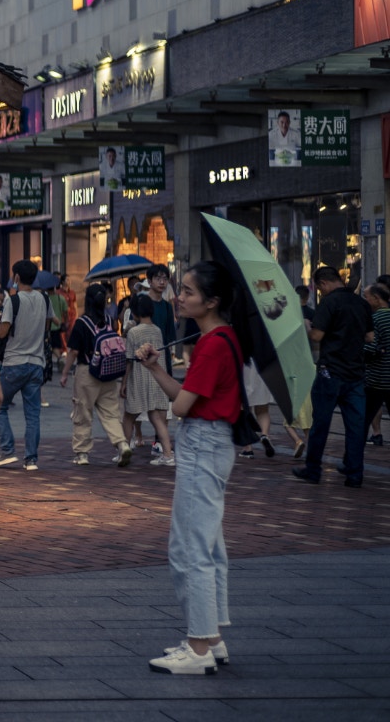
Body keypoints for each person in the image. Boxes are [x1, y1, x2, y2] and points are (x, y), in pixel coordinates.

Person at [136, 262, 242, 674]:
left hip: (203, 443)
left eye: (189, 291)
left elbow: (181, 406)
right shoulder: (222, 338)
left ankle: (197, 648)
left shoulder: (214, 345)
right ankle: (211, 639)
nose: (179, 296)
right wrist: (156, 368)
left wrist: (159, 371)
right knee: (209, 545)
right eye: (180, 288)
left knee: (189, 549)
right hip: (214, 442)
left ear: (212, 301)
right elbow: (186, 397)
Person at [293, 266, 373, 488]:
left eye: (319, 289)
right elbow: (369, 337)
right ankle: (355, 474)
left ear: (322, 284)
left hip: (331, 371)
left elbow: (317, 336)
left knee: (321, 423)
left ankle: (313, 470)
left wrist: (309, 327)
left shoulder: (329, 303)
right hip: (356, 373)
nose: (320, 292)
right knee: (356, 427)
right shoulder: (362, 303)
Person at [60, 283, 131, 466]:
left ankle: (82, 454)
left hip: (87, 372)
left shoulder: (82, 323)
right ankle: (122, 444)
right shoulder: (108, 320)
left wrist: (65, 373)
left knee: (82, 412)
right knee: (111, 412)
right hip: (108, 373)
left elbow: (73, 351)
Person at [0, 260, 48, 471]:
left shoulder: (13, 302)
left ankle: (7, 450)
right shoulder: (44, 299)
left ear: (16, 278)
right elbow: (50, 324)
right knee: (33, 415)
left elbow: (2, 332)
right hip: (36, 363)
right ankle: (31, 459)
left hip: (15, 363)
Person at [122, 295, 174, 465]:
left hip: (139, 377)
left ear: (135, 312)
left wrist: (124, 382)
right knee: (157, 418)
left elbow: (129, 359)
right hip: (156, 377)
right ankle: (168, 454)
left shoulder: (133, 332)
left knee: (129, 415)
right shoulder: (157, 330)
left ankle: (124, 449)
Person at [363, 282, 390, 447]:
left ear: (376, 298)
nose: (365, 301)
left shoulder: (374, 319)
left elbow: (370, 348)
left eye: (366, 297)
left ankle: (353, 459)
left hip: (377, 379)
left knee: (363, 418)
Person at [146, 265, 178, 373]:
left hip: (163, 354)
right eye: (158, 279)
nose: (162, 282)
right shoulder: (142, 303)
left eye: (165, 279)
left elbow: (169, 338)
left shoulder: (168, 307)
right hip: (145, 355)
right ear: (149, 281)